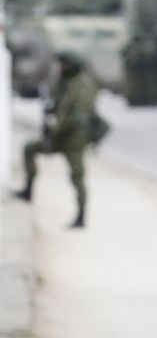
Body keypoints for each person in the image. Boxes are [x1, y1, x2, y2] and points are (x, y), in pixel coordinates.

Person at [13, 50, 103, 228]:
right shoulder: (65, 81)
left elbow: (78, 116)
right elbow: (59, 105)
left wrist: (56, 128)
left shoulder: (82, 84)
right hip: (60, 136)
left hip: (74, 139)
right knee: (29, 149)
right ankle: (29, 190)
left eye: (64, 64)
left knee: (77, 176)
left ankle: (81, 215)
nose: (61, 67)